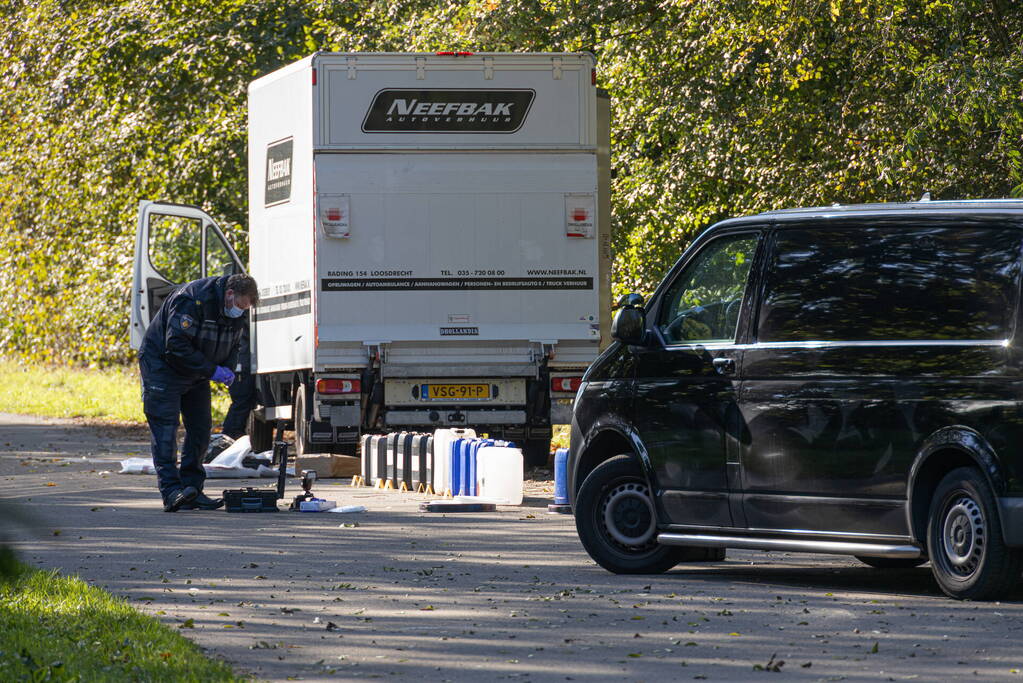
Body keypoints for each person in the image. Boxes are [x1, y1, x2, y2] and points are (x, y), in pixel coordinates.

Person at [138, 273, 259, 511]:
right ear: (229, 294)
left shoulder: (236, 311)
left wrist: (227, 367)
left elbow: (235, 343)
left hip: (198, 370)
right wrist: (212, 370)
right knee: (165, 429)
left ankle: (193, 489)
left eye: (245, 309)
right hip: (163, 366)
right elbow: (176, 345)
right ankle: (172, 491)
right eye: (239, 306)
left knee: (201, 428)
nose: (240, 312)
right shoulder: (192, 300)